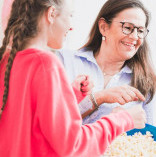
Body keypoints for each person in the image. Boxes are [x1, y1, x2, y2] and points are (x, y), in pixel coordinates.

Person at [0, 0, 147, 156]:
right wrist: (123, 119)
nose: (71, 26)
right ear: (51, 14)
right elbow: (72, 145)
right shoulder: (47, 64)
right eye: (70, 15)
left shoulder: (7, 59)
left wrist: (70, 95)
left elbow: (29, 120)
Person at [57, 0, 156, 125]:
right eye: (127, 28)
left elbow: (149, 137)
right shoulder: (64, 61)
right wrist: (100, 98)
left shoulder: (145, 81)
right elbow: (54, 119)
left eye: (140, 31)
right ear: (104, 27)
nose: (134, 36)